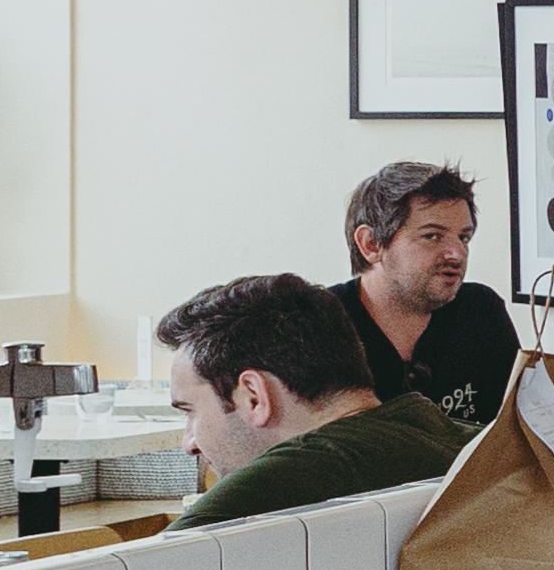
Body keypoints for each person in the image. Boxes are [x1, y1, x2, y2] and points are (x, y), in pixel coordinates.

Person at [155, 272, 472, 528]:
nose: (189, 443)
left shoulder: (274, 484)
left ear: (254, 397)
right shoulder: (479, 443)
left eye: (190, 411)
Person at [336, 163, 518, 429]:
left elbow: (512, 430)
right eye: (432, 236)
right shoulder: (321, 324)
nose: (456, 253)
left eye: (463, 237)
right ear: (371, 244)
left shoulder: (480, 311)